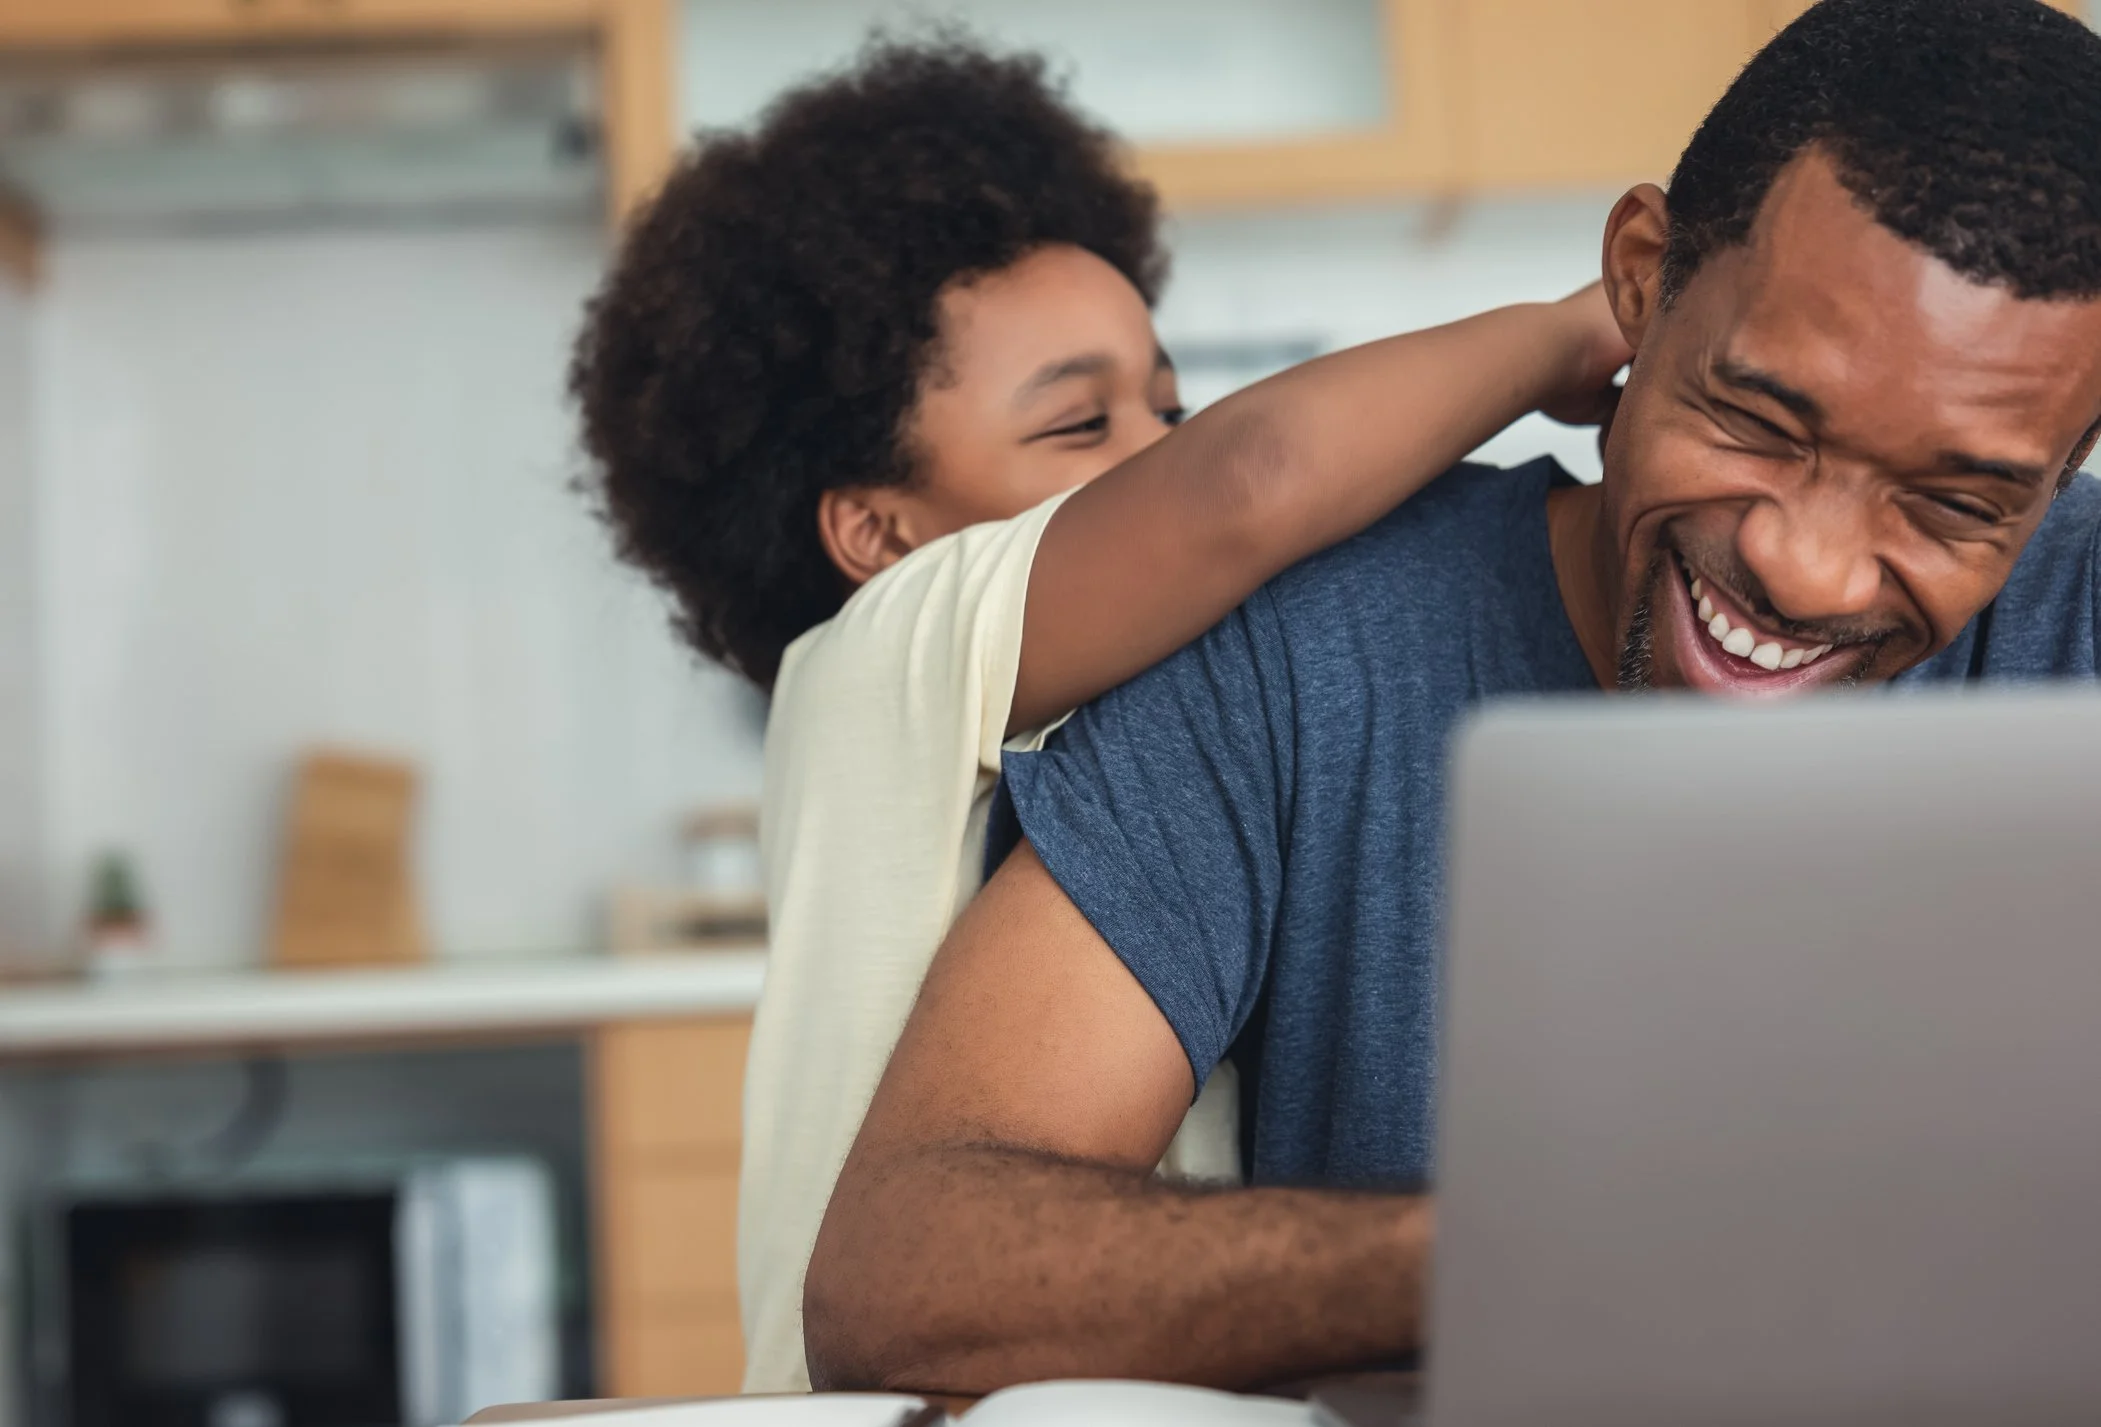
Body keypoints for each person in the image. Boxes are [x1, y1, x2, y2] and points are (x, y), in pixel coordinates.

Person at [805, 0, 2101, 1395]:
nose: (1807, 564)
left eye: (1955, 503)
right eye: (1759, 421)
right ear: (1644, 278)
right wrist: (1539, 1248)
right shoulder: (1303, 650)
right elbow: (906, 1271)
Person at [569, 39, 1630, 1391]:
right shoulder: (891, 645)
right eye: (1082, 427)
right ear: (875, 530)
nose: (1156, 454)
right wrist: (1564, 333)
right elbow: (1253, 481)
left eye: (1167, 405)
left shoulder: (1136, 707)